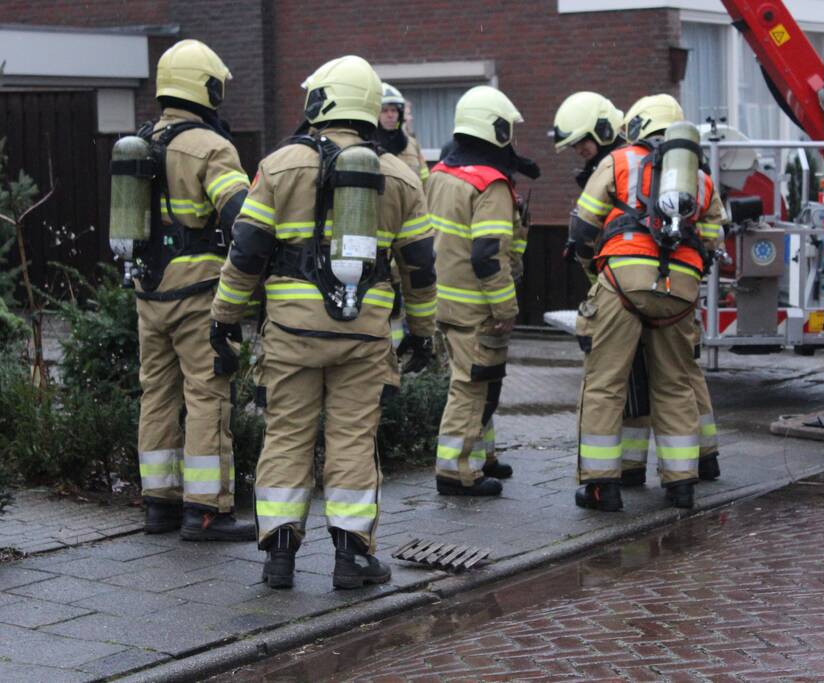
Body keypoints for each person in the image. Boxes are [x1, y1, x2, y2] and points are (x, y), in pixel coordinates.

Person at [210, 55, 437, 589]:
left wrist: (224, 317)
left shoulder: (280, 164)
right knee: (353, 440)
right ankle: (352, 559)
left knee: (287, 437)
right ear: (369, 108)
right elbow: (421, 268)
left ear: (319, 103)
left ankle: (280, 558)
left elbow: (246, 253)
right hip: (364, 332)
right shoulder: (401, 176)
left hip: (291, 334)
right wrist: (422, 332)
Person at [553, 91, 722, 487]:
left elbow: (582, 228)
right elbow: (713, 238)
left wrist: (598, 275)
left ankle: (601, 486)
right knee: (676, 384)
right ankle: (681, 482)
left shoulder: (619, 160)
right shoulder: (700, 177)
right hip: (679, 292)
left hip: (623, 285)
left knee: (605, 384)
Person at [122, 39, 255, 542]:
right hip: (198, 293)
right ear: (208, 88)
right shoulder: (212, 147)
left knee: (155, 394)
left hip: (147, 294)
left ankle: (159, 505)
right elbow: (244, 218)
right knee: (207, 395)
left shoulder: (139, 142)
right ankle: (206, 510)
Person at [427, 85, 539, 496]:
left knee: (481, 380)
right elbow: (488, 256)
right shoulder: (490, 184)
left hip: (444, 299)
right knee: (472, 386)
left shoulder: (440, 174)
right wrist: (506, 307)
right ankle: (455, 471)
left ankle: (482, 457)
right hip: (478, 306)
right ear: (496, 130)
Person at [377, 82, 429, 183]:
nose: (390, 115)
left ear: (399, 114)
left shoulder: (412, 144)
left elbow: (425, 180)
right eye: (384, 111)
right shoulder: (368, 144)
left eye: (394, 110)